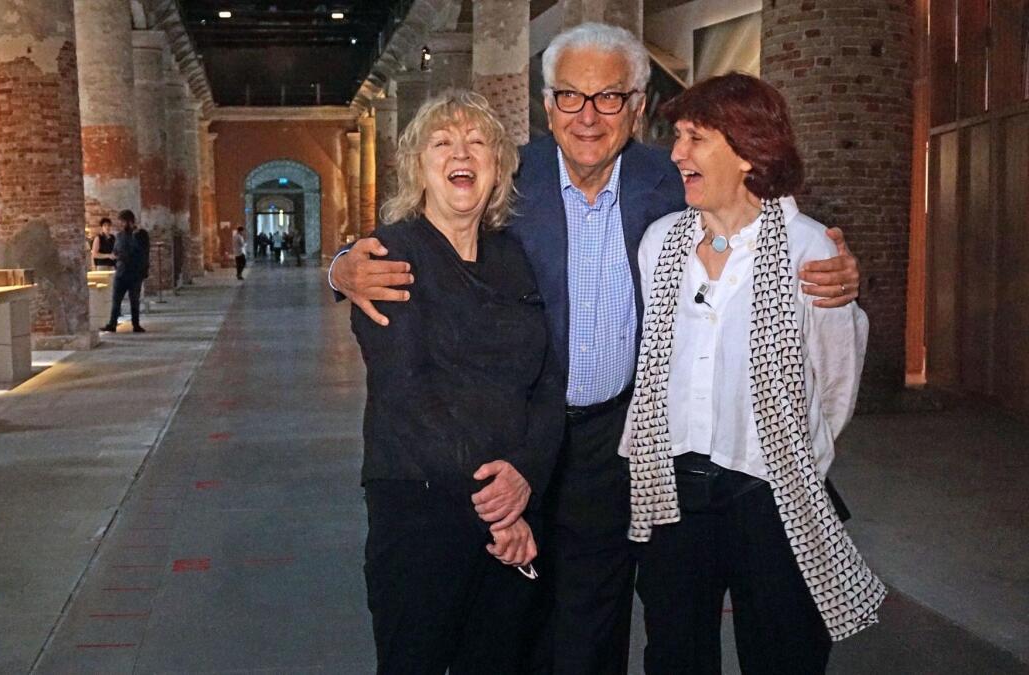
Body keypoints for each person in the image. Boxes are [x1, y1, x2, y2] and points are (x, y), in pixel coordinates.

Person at [331, 23, 863, 674]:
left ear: (637, 107)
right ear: (547, 104)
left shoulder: (669, 184)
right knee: (512, 619)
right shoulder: (506, 177)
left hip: (612, 437)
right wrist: (339, 267)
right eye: (571, 97)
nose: (588, 116)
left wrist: (831, 260)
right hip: (513, 431)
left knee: (594, 614)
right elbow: (426, 226)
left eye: (609, 97)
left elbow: (753, 213)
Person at [621, 72, 885, 674]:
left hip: (769, 498)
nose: (677, 154)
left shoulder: (810, 249)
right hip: (673, 495)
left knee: (782, 655)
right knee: (675, 655)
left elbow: (837, 385)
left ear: (746, 151)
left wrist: (793, 460)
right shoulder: (659, 243)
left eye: (694, 138)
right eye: (677, 137)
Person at [352, 89, 565, 674]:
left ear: (498, 167)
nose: (460, 153)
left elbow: (548, 382)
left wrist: (528, 474)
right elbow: (409, 392)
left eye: (477, 143)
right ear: (418, 168)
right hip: (422, 509)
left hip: (515, 502)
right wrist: (499, 511)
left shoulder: (514, 256)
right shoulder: (389, 254)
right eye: (441, 143)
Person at [101, 209, 145, 333]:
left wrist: (142, 271)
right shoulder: (119, 236)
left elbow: (141, 254)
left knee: (134, 300)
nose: (121, 224)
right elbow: (116, 251)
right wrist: (117, 258)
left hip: (134, 273)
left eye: (123, 222)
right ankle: (112, 324)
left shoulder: (139, 235)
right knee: (116, 300)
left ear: (130, 222)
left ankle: (136, 324)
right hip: (121, 272)